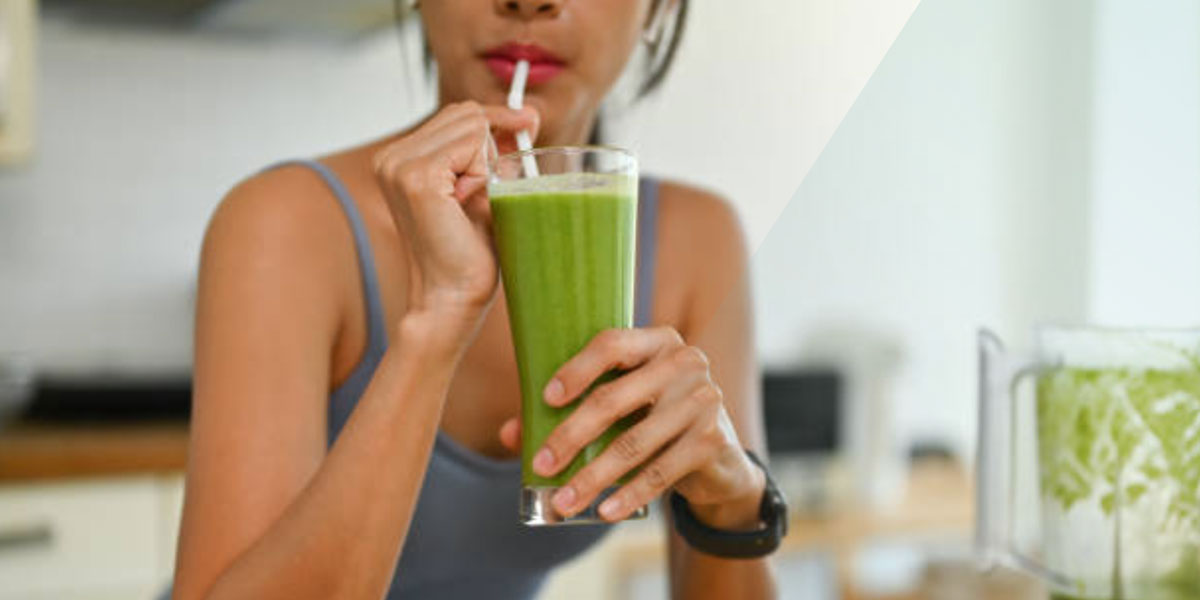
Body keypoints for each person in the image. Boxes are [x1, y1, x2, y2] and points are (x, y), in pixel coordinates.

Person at [171, 1, 780, 598]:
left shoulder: (697, 241)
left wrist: (733, 503)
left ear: (658, 9)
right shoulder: (284, 223)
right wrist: (438, 317)